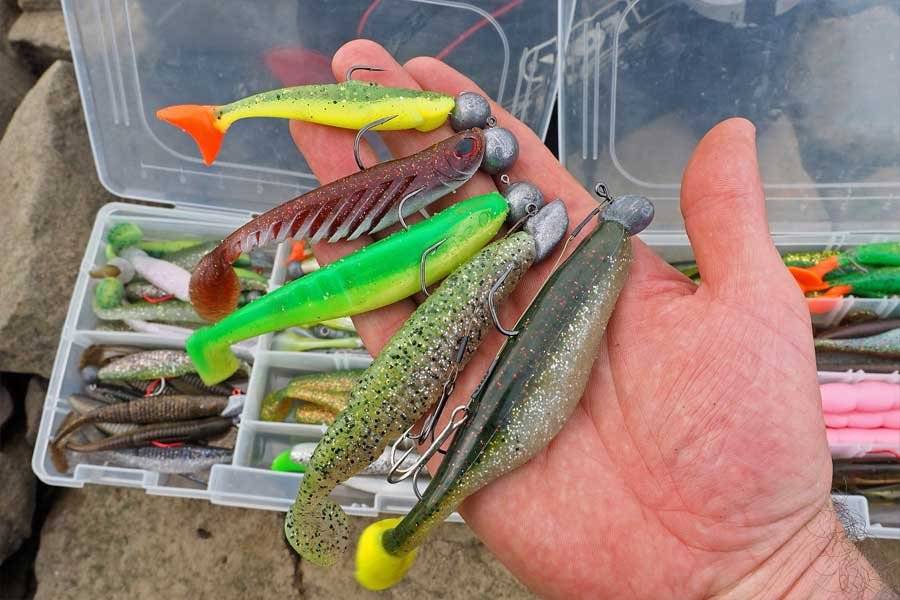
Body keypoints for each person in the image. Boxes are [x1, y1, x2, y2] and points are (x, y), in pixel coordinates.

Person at [290, 39, 898, 599]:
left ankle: (399, 531)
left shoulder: (594, 258)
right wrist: (787, 569)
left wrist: (785, 564)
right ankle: (391, 529)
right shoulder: (571, 249)